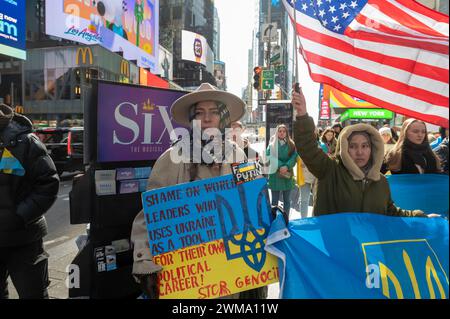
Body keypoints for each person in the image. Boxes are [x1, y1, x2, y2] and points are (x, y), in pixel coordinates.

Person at [130, 83, 267, 299]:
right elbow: (149, 216)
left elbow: (256, 205)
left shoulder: (242, 157)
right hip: (188, 280)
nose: (207, 119)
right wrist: (144, 262)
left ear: (222, 119)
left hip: (233, 276)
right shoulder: (171, 159)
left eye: (213, 112)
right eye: (200, 113)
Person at [290, 89, 439, 218]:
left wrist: (422, 217)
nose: (359, 151)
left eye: (365, 146)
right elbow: (307, 148)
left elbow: (391, 212)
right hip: (334, 249)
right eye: (353, 146)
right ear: (344, 147)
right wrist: (302, 115)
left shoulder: (380, 181)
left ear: (373, 148)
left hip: (368, 250)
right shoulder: (330, 170)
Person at [0, 103, 59, 299]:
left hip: (24, 240)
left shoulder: (25, 141)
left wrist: (20, 215)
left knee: (34, 295)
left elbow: (48, 183)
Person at [266, 124, 298, 223]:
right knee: (274, 201)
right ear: (277, 132)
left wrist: (287, 166)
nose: (282, 133)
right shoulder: (271, 144)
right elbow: (269, 156)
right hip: (275, 174)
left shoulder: (292, 144)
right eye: (280, 131)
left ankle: (286, 219)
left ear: (286, 133)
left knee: (287, 201)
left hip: (287, 174)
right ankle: (274, 220)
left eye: (284, 131)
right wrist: (280, 166)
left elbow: (295, 156)